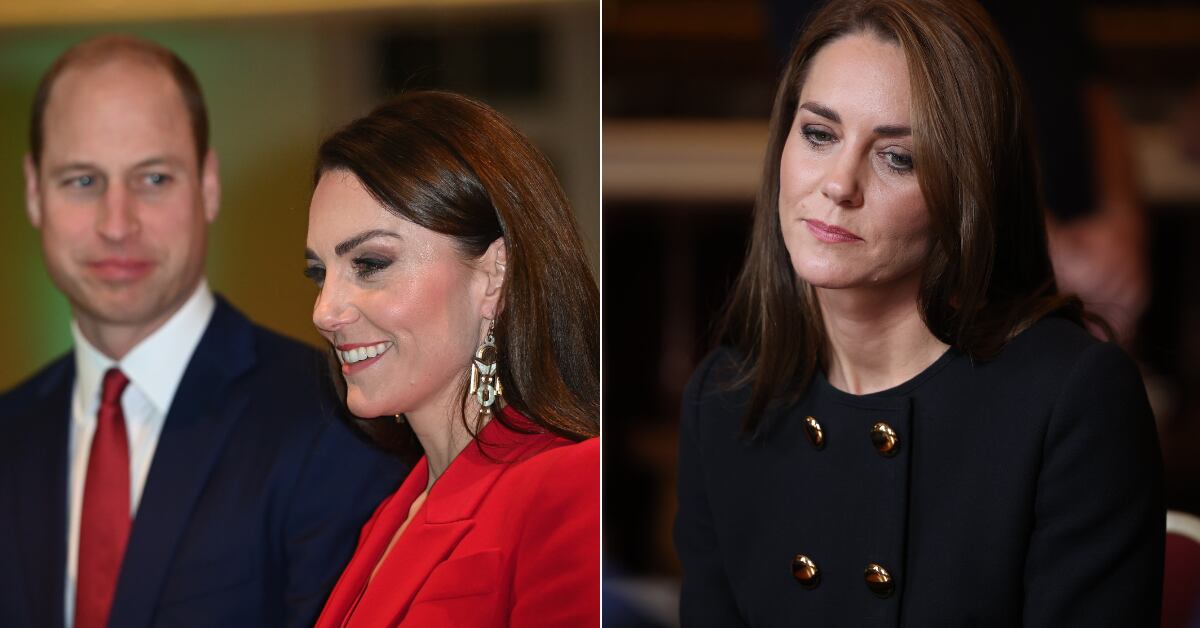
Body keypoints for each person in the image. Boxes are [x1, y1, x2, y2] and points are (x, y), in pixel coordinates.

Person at [674, 0, 1163, 625]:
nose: (839, 184)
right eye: (820, 134)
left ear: (966, 188)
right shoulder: (723, 400)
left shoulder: (1072, 400)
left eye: (897, 157)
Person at [0, 35, 405, 628]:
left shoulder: (335, 419)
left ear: (208, 184)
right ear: (35, 193)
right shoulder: (9, 433)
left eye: (153, 178)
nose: (118, 223)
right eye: (83, 181)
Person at [305, 91, 600, 627]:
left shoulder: (572, 486)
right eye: (319, 273)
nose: (324, 312)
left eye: (369, 264)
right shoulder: (390, 515)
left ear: (494, 275)